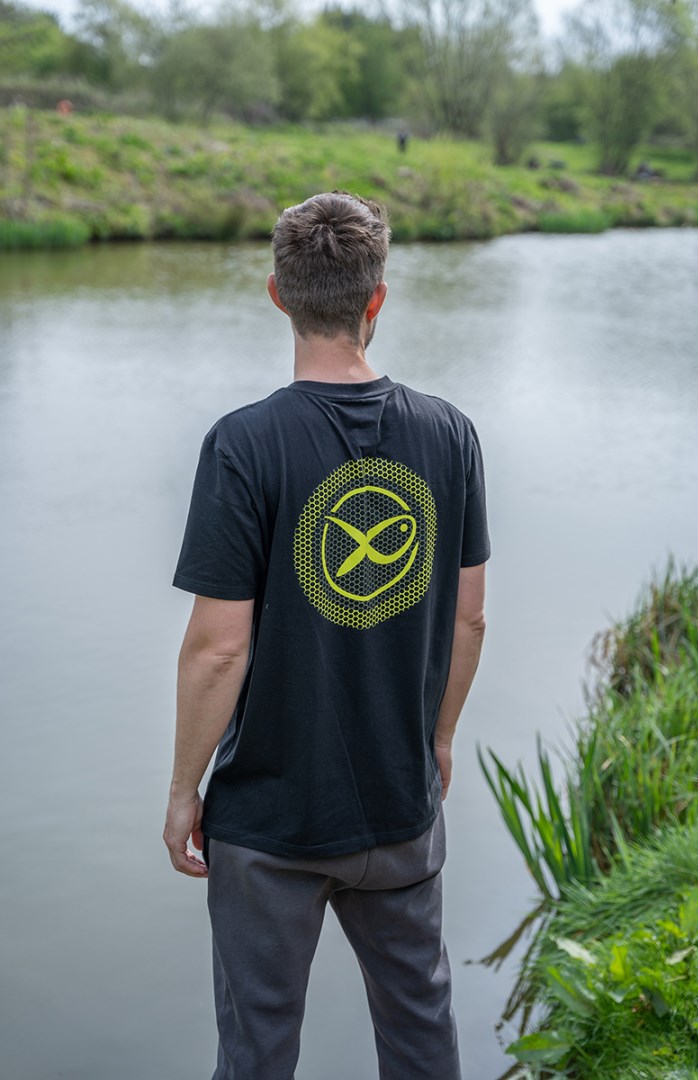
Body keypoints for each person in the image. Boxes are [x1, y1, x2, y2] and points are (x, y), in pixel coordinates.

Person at [163, 191, 490, 1080]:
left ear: (278, 294)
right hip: (400, 803)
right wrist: (440, 739)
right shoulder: (450, 434)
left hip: (270, 824)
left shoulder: (243, 445)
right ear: (377, 298)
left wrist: (185, 789)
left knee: (258, 1051)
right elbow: (469, 617)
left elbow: (218, 649)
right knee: (421, 1030)